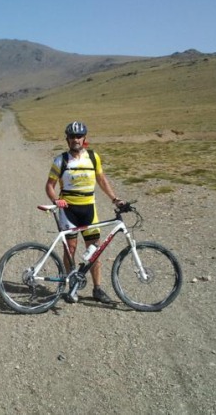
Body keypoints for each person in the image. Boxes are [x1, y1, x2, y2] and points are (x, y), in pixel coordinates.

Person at [45, 121, 125, 304]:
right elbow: (50, 185)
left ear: (84, 138)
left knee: (95, 250)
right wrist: (55, 200)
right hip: (69, 210)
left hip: (89, 210)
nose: (76, 139)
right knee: (70, 249)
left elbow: (101, 180)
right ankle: (69, 285)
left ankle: (97, 289)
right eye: (72, 136)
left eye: (79, 136)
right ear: (67, 139)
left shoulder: (93, 157)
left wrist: (115, 198)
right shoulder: (60, 160)